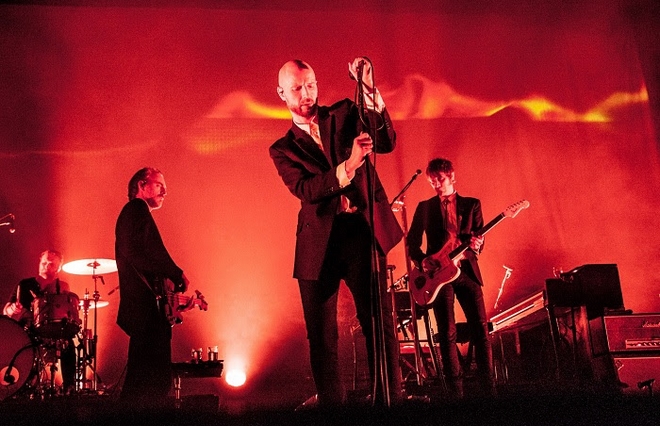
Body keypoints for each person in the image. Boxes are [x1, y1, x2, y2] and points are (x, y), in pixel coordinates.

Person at [269, 58, 404, 407]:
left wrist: (368, 86)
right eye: (297, 88)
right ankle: (332, 408)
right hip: (318, 243)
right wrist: (350, 165)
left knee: (378, 322)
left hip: (360, 230)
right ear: (282, 93)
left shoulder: (344, 113)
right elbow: (307, 190)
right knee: (322, 336)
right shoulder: (282, 148)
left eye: (311, 84)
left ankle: (390, 401)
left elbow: (386, 140)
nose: (307, 93)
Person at [406, 158, 495, 400]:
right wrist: (422, 261)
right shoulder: (424, 207)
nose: (436, 184)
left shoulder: (472, 204)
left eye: (440, 179)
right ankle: (455, 393)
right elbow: (412, 242)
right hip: (438, 275)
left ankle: (489, 389)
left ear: (452, 177)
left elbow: (479, 240)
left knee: (480, 329)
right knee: (446, 333)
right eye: (432, 181)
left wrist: (477, 244)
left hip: (466, 270)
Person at [115, 167, 189, 406]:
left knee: (143, 377)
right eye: (159, 185)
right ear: (141, 185)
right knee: (153, 378)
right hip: (145, 309)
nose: (165, 192)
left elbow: (143, 254)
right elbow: (146, 252)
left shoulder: (134, 213)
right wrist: (176, 273)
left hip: (144, 307)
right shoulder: (136, 209)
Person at [3, 249, 78, 394]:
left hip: (54, 327)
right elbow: (6, 310)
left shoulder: (62, 286)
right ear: (39, 263)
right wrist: (12, 309)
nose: (46, 266)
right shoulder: (24, 284)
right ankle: (23, 384)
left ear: (58, 268)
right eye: (44, 263)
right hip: (28, 328)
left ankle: (69, 386)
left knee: (67, 342)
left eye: (51, 264)